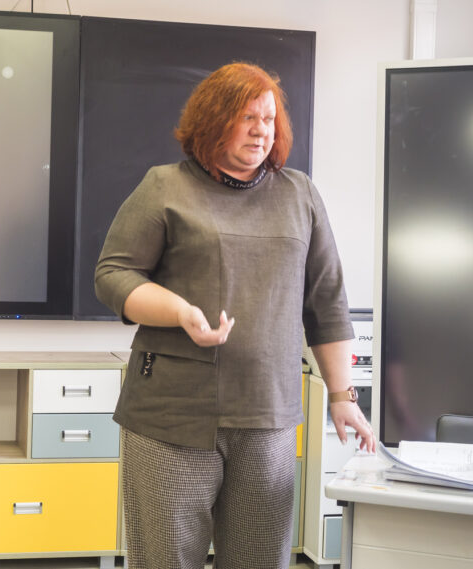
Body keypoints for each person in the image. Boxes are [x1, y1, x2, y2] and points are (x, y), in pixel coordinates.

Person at [94, 62, 375, 569]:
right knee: (164, 560)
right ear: (213, 120)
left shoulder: (300, 195)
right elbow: (114, 275)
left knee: (260, 559)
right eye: (247, 117)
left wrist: (342, 395)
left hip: (267, 417)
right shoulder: (164, 186)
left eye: (268, 119)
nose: (261, 130)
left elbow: (327, 302)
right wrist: (180, 312)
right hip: (171, 418)